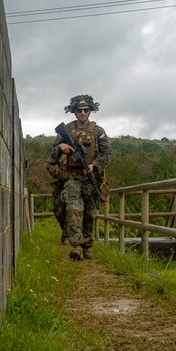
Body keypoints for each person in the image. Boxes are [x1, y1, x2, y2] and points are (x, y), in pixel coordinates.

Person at [50, 94, 112, 260]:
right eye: (79, 110)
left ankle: (87, 246)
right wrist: (61, 147)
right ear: (74, 111)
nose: (83, 113)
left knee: (90, 213)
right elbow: (52, 154)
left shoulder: (98, 131)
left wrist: (94, 166)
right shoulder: (66, 130)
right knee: (73, 208)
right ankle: (76, 245)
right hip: (72, 177)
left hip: (91, 178)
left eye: (86, 110)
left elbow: (107, 154)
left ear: (90, 110)